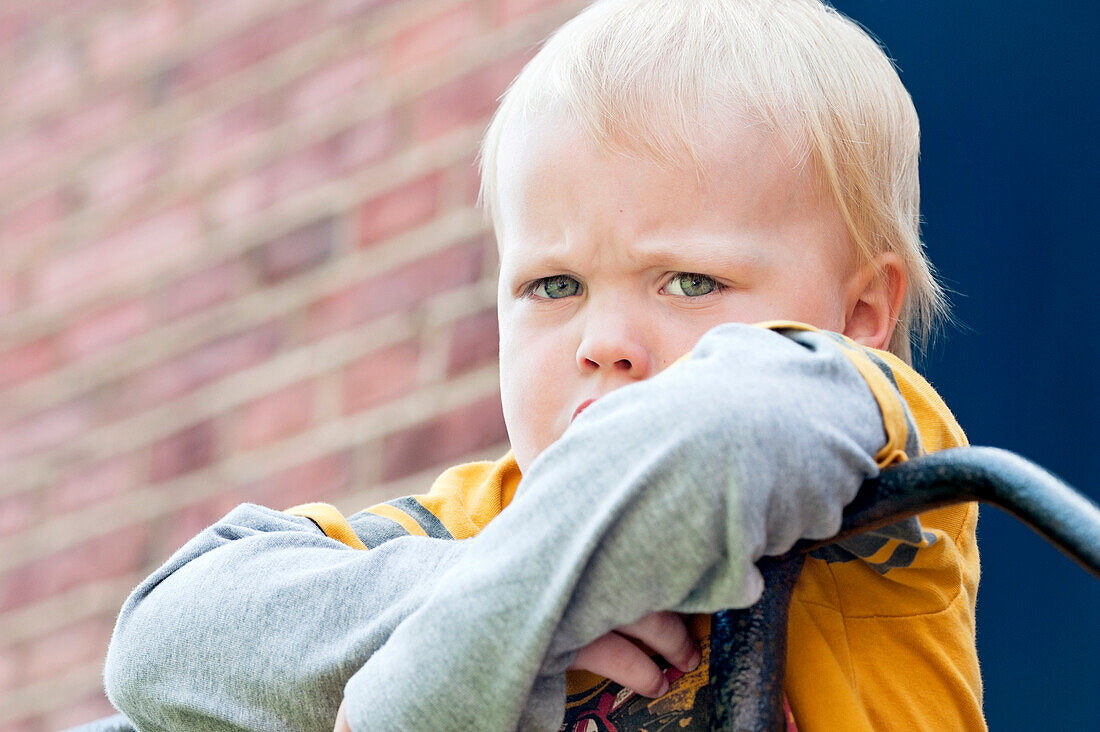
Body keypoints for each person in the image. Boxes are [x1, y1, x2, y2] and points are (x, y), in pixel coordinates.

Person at [102, 1, 983, 730]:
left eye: (688, 281)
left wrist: (498, 625)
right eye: (553, 284)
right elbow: (161, 640)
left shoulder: (872, 441)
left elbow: (736, 433)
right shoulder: (478, 524)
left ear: (861, 315)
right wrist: (473, 593)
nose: (601, 340)